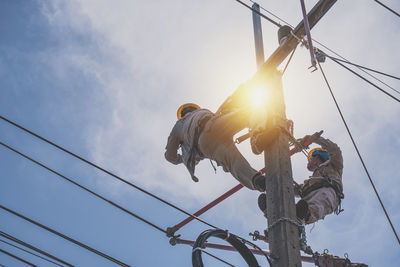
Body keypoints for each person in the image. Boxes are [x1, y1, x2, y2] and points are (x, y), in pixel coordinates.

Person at [164, 102, 266, 192]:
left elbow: (170, 156)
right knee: (249, 112)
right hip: (212, 124)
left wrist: (184, 158)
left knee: (233, 162)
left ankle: (257, 181)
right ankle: (258, 137)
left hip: (204, 144)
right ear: (195, 109)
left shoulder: (179, 125)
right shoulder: (203, 111)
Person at [258, 131, 344, 224]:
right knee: (299, 206)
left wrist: (315, 139)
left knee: (319, 201)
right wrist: (272, 184)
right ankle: (275, 210)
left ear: (318, 156)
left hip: (328, 193)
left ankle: (304, 216)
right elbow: (293, 190)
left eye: (311, 158)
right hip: (307, 201)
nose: (308, 160)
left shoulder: (334, 166)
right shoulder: (310, 182)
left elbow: (335, 150)